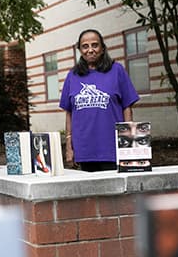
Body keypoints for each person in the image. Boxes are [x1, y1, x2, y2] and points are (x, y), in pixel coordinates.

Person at [60, 29, 140, 172]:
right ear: (80, 50)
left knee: (116, 193)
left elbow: (127, 108)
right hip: (83, 150)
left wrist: (129, 145)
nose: (90, 50)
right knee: (88, 194)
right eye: (85, 46)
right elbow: (69, 113)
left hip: (111, 148)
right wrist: (69, 147)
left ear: (103, 48)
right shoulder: (72, 75)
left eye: (95, 45)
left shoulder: (117, 70)